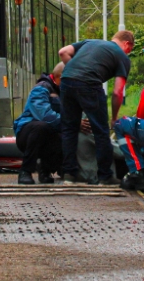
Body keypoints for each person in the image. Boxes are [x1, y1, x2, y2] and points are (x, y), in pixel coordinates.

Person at [58, 30, 135, 185]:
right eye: (130, 50)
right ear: (127, 44)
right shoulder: (121, 56)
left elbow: (63, 52)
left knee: (69, 129)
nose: (128, 53)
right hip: (89, 83)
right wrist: (114, 118)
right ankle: (105, 176)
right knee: (101, 131)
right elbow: (118, 92)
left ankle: (70, 175)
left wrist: (75, 71)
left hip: (66, 80)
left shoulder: (90, 42)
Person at [12, 62, 64, 185]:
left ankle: (46, 170)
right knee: (42, 127)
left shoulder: (63, 91)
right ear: (60, 78)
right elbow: (44, 116)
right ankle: (25, 171)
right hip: (28, 133)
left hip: (49, 133)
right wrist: (71, 123)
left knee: (63, 135)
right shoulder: (41, 88)